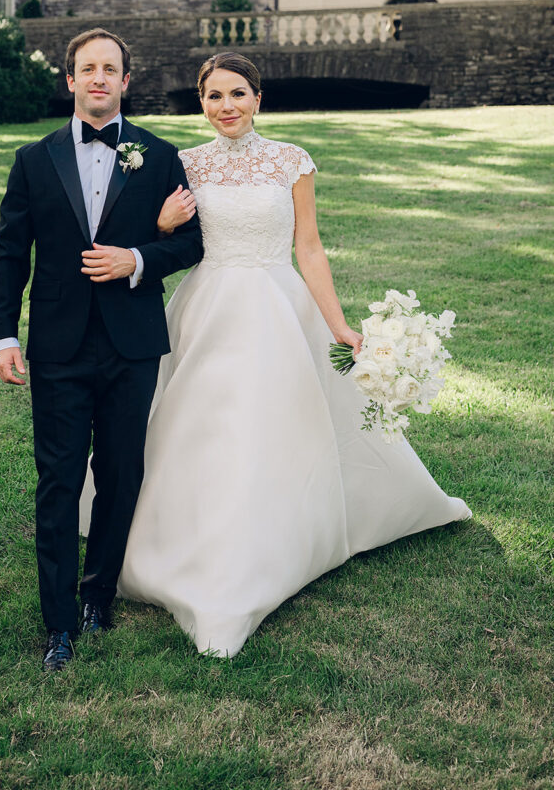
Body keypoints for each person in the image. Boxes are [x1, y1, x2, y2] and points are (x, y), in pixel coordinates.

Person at [80, 51, 471, 658]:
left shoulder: (291, 161)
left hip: (278, 305)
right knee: (199, 423)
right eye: (214, 96)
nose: (226, 107)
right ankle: (190, 545)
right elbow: (163, 243)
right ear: (201, 103)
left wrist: (338, 325)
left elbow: (308, 248)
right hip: (207, 306)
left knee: (278, 422)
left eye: (238, 94)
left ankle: (281, 537)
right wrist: (162, 224)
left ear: (258, 99)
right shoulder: (185, 164)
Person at [0, 28, 203, 672]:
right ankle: (58, 623)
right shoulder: (34, 159)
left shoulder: (159, 156)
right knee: (57, 480)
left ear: (126, 82)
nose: (100, 78)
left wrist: (137, 257)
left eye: (111, 69)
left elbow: (191, 244)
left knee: (119, 472)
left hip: (131, 343)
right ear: (71, 80)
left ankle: (98, 595)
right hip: (57, 345)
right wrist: (5, 334)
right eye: (89, 69)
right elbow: (9, 254)